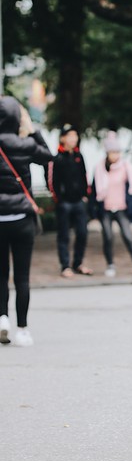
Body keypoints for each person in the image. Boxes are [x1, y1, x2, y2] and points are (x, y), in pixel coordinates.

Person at [0, 97, 53, 347]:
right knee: (22, 277)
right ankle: (22, 329)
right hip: (22, 218)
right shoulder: (25, 144)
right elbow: (48, 157)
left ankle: (2, 319)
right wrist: (33, 130)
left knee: (0, 275)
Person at [93, 132, 132, 278]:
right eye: (112, 152)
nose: (115, 155)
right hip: (106, 208)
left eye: (117, 152)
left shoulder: (126, 167)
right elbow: (95, 191)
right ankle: (110, 264)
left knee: (128, 236)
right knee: (108, 237)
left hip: (121, 207)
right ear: (107, 153)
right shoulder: (99, 168)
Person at [47, 124, 93, 277]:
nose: (74, 138)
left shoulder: (79, 156)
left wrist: (85, 195)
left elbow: (84, 176)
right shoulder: (57, 158)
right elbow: (52, 181)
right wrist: (58, 199)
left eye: (75, 135)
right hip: (64, 203)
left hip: (79, 201)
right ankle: (65, 266)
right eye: (70, 135)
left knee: (82, 233)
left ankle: (78, 263)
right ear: (63, 138)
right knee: (64, 235)